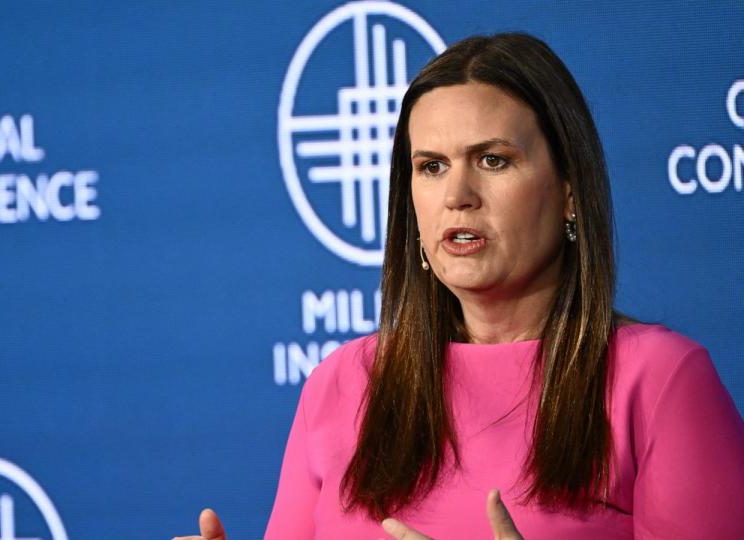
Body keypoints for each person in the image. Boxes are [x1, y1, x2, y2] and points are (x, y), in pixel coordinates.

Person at [174, 33, 744, 539]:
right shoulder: (341, 384)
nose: (458, 195)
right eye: (431, 166)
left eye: (493, 161)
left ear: (570, 190)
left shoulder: (661, 381)